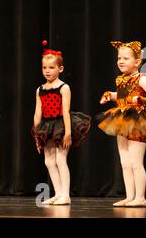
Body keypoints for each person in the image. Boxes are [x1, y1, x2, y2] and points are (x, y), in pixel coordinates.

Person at [98, 41, 146, 207]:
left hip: (137, 120)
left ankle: (140, 198)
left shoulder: (141, 79)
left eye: (125, 58)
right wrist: (111, 96)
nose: (121, 61)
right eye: (119, 58)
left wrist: (144, 99)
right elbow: (122, 96)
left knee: (135, 161)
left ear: (137, 62)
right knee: (125, 162)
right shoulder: (121, 79)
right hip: (121, 119)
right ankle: (130, 197)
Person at [31, 40, 91, 205]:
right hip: (46, 126)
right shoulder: (40, 89)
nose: (47, 71)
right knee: (48, 161)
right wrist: (37, 135)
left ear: (60, 69)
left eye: (51, 67)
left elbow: (65, 111)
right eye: (44, 68)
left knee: (60, 159)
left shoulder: (64, 87)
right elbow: (37, 113)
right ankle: (58, 193)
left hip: (61, 126)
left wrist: (68, 133)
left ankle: (65, 194)